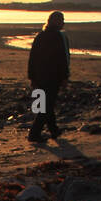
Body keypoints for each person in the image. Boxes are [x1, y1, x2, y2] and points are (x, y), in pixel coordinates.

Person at [27, 10, 70, 143]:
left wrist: (32, 76)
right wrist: (64, 76)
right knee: (46, 105)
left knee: (46, 104)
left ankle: (53, 130)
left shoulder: (41, 36)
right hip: (52, 76)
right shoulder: (57, 37)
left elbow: (32, 57)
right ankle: (34, 133)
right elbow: (61, 59)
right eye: (61, 20)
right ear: (55, 21)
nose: (63, 22)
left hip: (40, 76)